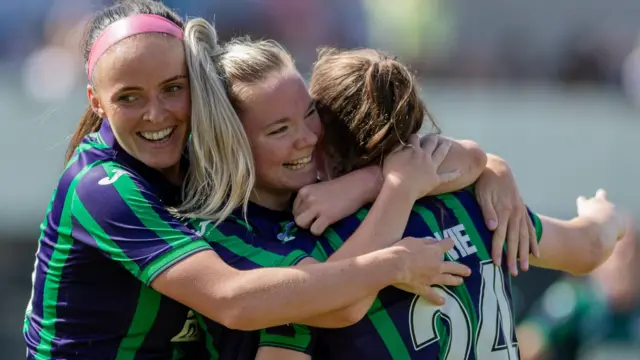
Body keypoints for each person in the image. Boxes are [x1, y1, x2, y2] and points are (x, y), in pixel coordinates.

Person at [22, 2, 487, 359]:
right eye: (128, 97)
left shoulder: (198, 153)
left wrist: (370, 182)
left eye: (172, 89)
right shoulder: (103, 188)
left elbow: (461, 159)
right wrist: (393, 263)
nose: (156, 114)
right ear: (96, 102)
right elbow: (235, 301)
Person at [175, 35, 553, 358]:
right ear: (230, 145)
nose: (308, 137)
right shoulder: (228, 234)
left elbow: (470, 158)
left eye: (310, 113)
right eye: (279, 130)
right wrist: (396, 196)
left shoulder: (345, 206)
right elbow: (338, 304)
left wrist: (371, 182)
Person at [235, 48, 626, 359]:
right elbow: (588, 247)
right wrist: (605, 217)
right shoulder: (476, 201)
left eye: (309, 119)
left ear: (327, 141)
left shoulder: (317, 252)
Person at [517, 222, 640, 360]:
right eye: (617, 253)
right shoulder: (575, 300)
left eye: (632, 252)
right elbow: (528, 342)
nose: (625, 261)